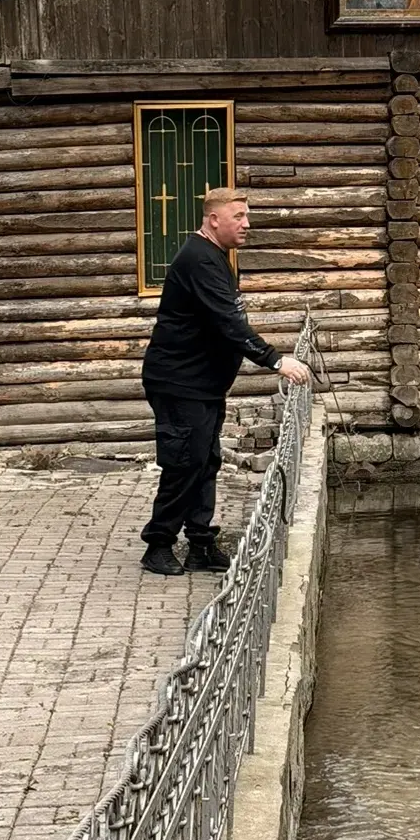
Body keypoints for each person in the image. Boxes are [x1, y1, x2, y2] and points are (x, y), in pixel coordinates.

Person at [140, 188, 311, 576]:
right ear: (214, 219)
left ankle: (200, 544)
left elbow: (227, 321)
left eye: (247, 216)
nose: (247, 224)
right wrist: (275, 360)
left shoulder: (216, 255)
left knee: (206, 460)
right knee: (185, 462)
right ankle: (158, 545)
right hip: (179, 381)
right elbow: (228, 323)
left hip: (203, 383)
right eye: (239, 216)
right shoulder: (199, 259)